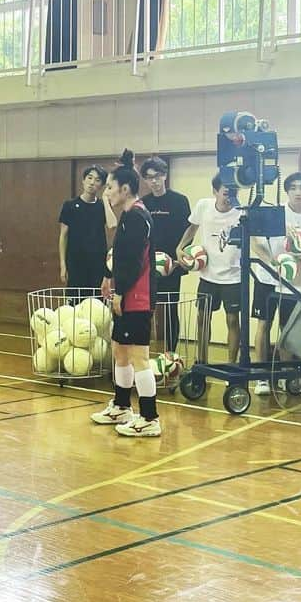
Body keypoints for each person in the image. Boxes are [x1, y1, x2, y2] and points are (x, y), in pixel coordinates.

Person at [90, 150, 160, 437]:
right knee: (119, 350)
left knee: (139, 356)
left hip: (137, 298)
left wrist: (120, 292)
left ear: (125, 188)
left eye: (109, 187)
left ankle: (149, 418)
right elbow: (119, 256)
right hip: (127, 294)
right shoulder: (129, 217)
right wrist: (108, 277)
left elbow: (132, 263)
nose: (107, 193)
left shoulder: (136, 217)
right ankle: (121, 406)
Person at [252, 172, 301, 372]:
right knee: (264, 324)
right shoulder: (275, 214)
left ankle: (286, 372)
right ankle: (261, 375)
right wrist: (271, 261)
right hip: (267, 279)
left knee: (287, 329)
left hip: (293, 284)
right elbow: (253, 240)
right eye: (294, 187)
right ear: (287, 191)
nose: (298, 192)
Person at [177, 175, 243, 370]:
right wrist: (180, 247)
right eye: (225, 192)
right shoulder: (203, 206)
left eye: (234, 192)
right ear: (214, 192)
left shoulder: (241, 212)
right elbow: (192, 228)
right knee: (202, 317)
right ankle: (201, 361)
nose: (230, 196)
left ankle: (232, 364)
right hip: (208, 276)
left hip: (233, 276)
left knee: (232, 319)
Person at [139, 157, 190, 351]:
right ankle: (143, 352)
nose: (154, 181)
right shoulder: (143, 203)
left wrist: (178, 258)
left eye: (158, 176)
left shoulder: (179, 201)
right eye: (149, 177)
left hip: (172, 267)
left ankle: (171, 353)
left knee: (170, 310)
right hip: (147, 267)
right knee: (145, 311)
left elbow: (188, 233)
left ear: (165, 176)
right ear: (145, 180)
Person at [58, 166, 108, 299]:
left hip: (97, 263)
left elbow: (112, 224)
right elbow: (63, 236)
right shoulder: (69, 205)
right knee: (75, 305)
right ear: (83, 180)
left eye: (97, 180)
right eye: (89, 178)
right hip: (75, 263)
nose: (92, 182)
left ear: (102, 185)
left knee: (96, 306)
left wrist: (107, 200)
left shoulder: (102, 206)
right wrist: (63, 264)